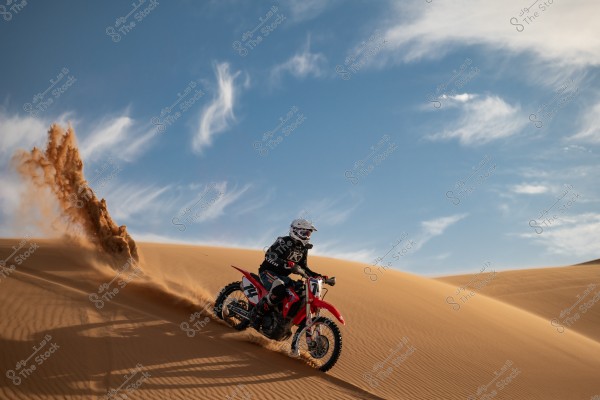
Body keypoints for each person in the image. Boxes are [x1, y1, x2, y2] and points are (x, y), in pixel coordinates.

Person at [251, 218, 327, 329]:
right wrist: (286, 264)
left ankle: (280, 319)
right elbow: (269, 256)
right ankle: (257, 315)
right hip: (268, 272)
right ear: (295, 231)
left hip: (282, 277)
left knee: (299, 291)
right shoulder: (284, 242)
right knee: (279, 290)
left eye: (308, 234)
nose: (307, 236)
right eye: (304, 233)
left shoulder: (303, 249)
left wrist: (318, 276)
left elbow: (304, 267)